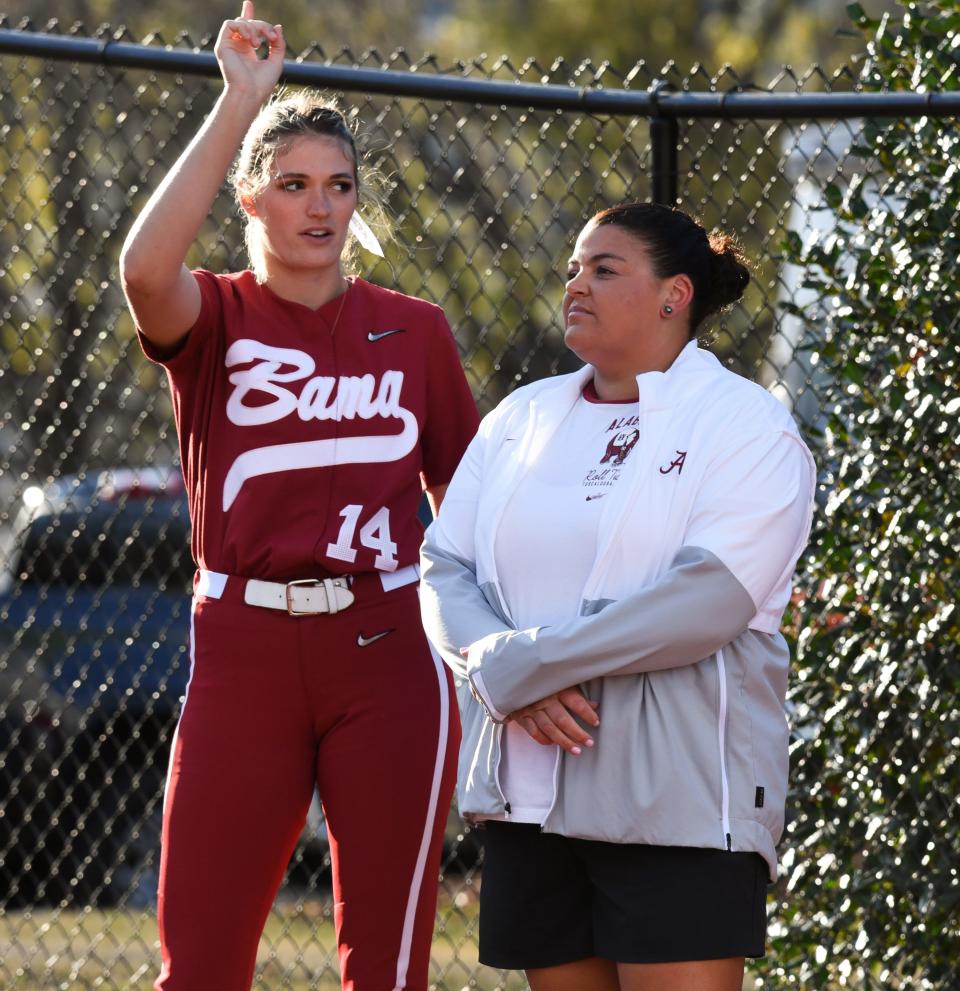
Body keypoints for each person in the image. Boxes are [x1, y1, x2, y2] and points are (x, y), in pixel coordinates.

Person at [120, 4, 479, 989]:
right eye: (291, 186)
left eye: (337, 186)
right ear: (251, 199)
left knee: (388, 969)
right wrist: (240, 105)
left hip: (389, 649)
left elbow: (473, 508)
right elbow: (144, 270)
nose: (318, 206)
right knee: (198, 964)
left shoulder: (414, 331)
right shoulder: (219, 315)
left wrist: (496, 651)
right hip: (243, 650)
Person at [419, 202, 815, 991]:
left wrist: (522, 667)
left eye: (604, 269)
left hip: (679, 804)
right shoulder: (521, 417)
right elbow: (443, 564)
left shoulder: (745, 425)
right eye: (573, 268)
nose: (577, 284)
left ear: (674, 296)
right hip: (529, 797)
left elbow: (706, 601)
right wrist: (502, 667)